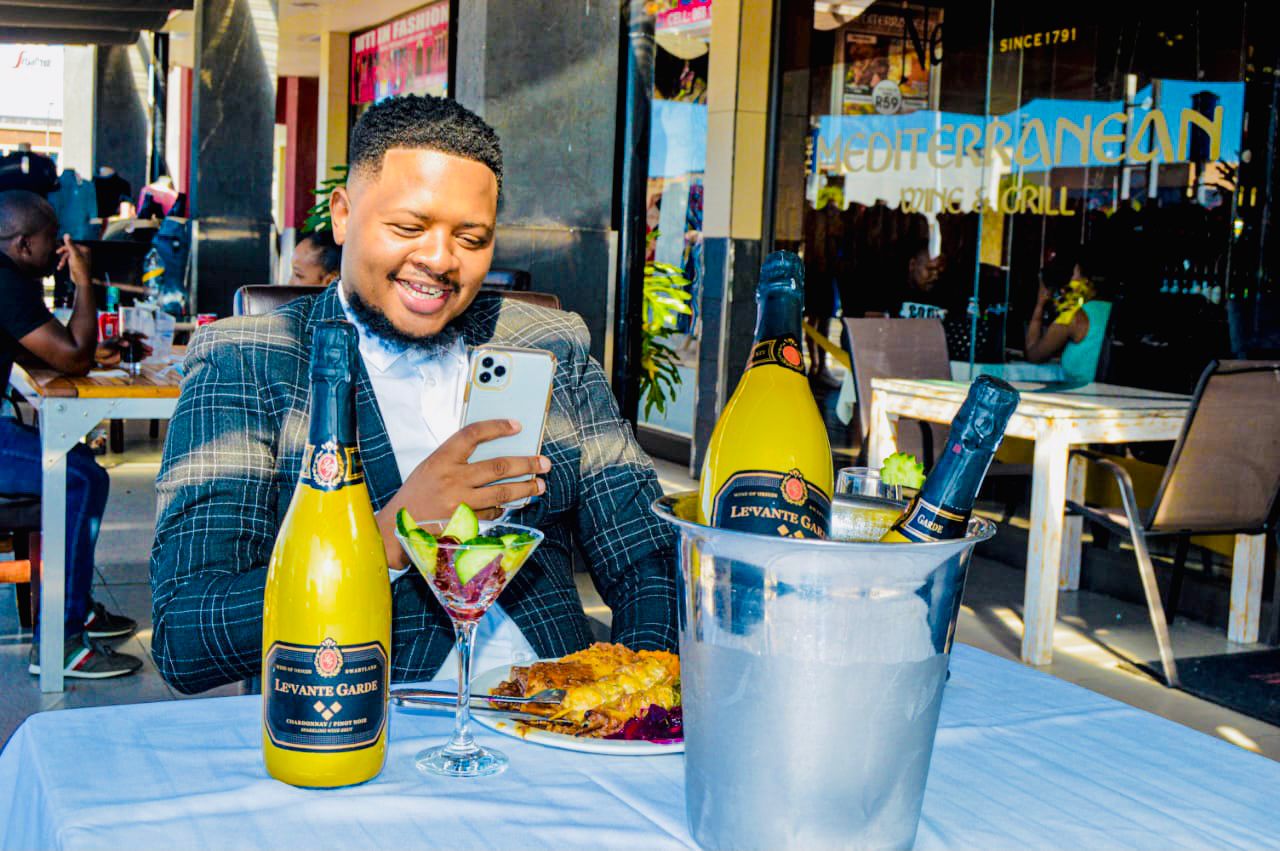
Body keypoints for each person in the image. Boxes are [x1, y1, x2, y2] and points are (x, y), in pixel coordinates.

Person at [150, 94, 678, 694]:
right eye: (408, 228)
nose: (439, 259)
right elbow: (186, 634)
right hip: (368, 718)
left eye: (471, 238)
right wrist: (393, 535)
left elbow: (648, 557)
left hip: (556, 713)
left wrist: (637, 697)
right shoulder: (248, 361)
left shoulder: (547, 346)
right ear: (343, 215)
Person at [0, 191, 143, 679]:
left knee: (80, 464)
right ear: (22, 244)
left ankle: (76, 611)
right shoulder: (6, 281)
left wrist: (85, 349)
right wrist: (84, 279)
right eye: (51, 239)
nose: (62, 248)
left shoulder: (8, 277)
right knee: (80, 477)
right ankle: (60, 642)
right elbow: (73, 357)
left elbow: (46, 350)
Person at [1025, 248, 1112, 385]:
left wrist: (1039, 304)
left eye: (1075, 274)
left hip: (1078, 393)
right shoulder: (1112, 309)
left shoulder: (1074, 317)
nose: (1072, 279)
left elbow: (1033, 355)